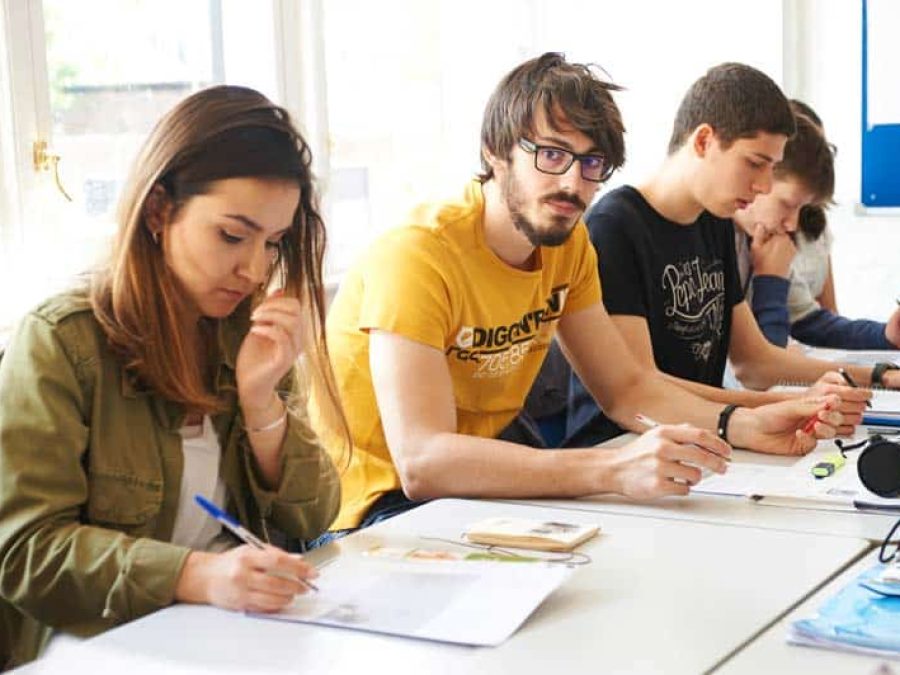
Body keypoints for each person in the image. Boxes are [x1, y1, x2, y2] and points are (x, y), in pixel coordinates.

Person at [312, 53, 844, 538]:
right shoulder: (419, 256)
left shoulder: (568, 244)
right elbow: (422, 462)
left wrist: (746, 424)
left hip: (472, 492)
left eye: (592, 165)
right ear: (495, 152)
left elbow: (628, 391)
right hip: (376, 512)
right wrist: (612, 468)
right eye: (551, 154)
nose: (573, 182)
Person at [0, 86, 344, 668]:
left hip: (234, 634)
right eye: (232, 236)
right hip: (106, 643)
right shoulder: (62, 341)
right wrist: (198, 575)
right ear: (159, 211)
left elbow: (313, 518)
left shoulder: (247, 331)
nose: (253, 268)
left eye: (273, 243)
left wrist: (263, 404)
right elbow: (27, 553)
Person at [566, 63, 879, 447]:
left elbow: (756, 361)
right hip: (622, 448)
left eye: (772, 168)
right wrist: (766, 409)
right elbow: (641, 387)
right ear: (703, 142)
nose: (764, 185)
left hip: (706, 443)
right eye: (754, 163)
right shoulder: (614, 226)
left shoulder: (713, 221)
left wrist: (878, 374)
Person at [733, 99, 900, 349]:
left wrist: (885, 335)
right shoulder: (721, 236)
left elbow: (809, 322)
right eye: (788, 204)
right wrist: (770, 278)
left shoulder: (765, 238)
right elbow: (763, 366)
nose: (792, 225)